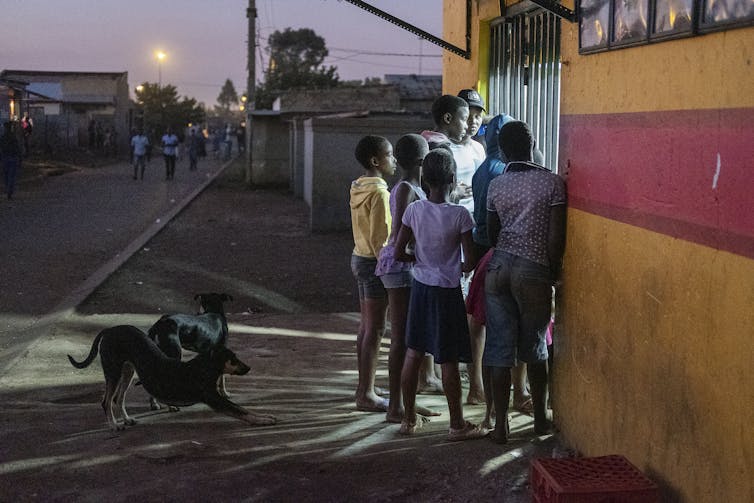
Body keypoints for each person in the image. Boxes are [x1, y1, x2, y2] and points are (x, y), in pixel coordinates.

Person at [394, 148, 487, 441]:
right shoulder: (460, 215)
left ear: (424, 179)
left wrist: (420, 261)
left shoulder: (414, 210)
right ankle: (457, 424)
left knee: (414, 351)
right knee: (447, 359)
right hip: (447, 291)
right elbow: (470, 261)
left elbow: (399, 251)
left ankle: (408, 419)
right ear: (451, 178)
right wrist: (455, 266)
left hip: (421, 287)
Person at [484, 120, 566, 443]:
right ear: (533, 146)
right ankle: (541, 421)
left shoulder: (496, 185)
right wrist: (553, 270)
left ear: (502, 151)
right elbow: (556, 238)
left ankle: (501, 424)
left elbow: (491, 233)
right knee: (535, 344)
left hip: (500, 266)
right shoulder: (552, 184)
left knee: (500, 347)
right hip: (534, 270)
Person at [375, 134, 441, 424]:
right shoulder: (405, 190)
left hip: (407, 265)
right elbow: (404, 233)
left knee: (409, 337)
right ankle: (396, 407)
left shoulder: (412, 187)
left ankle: (404, 402)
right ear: (419, 162)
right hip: (402, 266)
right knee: (401, 338)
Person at [417, 94, 470, 394]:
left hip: (426, 257)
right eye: (463, 118)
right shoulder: (441, 147)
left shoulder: (425, 141)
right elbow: (437, 193)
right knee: (439, 326)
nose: (467, 125)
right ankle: (431, 376)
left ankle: (429, 375)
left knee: (423, 323)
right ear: (448, 119)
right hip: (440, 252)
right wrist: (458, 195)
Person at [349, 135, 395, 412]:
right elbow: (382, 238)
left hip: (359, 256)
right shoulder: (379, 193)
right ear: (376, 161)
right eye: (390, 155)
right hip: (374, 262)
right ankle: (366, 394)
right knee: (375, 329)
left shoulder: (357, 186)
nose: (395, 160)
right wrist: (389, 270)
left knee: (366, 327)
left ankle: (364, 386)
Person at [452, 89, 486, 215]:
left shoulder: (479, 148)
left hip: (474, 217)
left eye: (477, 116)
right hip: (451, 218)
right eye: (468, 117)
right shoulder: (445, 149)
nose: (473, 121)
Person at [1, 121, 22, 199]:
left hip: (5, 157)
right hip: (13, 157)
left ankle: (8, 188)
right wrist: (20, 158)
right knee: (11, 175)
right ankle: (10, 189)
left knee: (6, 175)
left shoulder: (3, 138)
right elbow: (17, 148)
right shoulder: (14, 137)